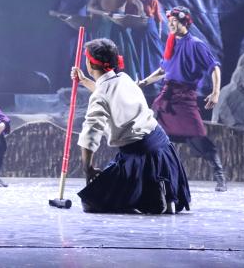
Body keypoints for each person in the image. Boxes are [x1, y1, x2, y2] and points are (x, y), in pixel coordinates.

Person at [73, 38, 191, 214]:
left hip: (138, 156)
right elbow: (108, 92)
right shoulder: (124, 79)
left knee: (90, 202)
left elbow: (90, 134)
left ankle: (149, 195)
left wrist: (88, 168)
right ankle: (160, 189)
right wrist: (83, 81)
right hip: (163, 147)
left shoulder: (101, 95)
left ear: (90, 64)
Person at [138, 6, 226, 191]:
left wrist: (216, 92)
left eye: (174, 21)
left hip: (184, 97)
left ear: (185, 22)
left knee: (197, 136)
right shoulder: (171, 43)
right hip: (166, 98)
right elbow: (163, 70)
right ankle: (154, 176)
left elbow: (214, 67)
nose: (170, 24)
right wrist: (144, 82)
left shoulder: (196, 44)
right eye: (169, 21)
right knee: (155, 136)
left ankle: (219, 175)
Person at [87, 0, 144, 81]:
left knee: (120, 52)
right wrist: (102, 13)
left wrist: (141, 12)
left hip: (118, 27)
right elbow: (89, 7)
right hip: (104, 28)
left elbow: (136, 1)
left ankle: (121, 79)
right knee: (103, 54)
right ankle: (105, 79)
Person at [49, 0, 92, 87]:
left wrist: (86, 19)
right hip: (66, 31)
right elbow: (51, 11)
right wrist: (62, 15)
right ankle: (65, 85)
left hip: (79, 30)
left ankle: (79, 85)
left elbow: (91, 9)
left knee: (79, 58)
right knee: (65, 57)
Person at [131, 0, 164, 86]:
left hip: (150, 34)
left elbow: (158, 20)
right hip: (136, 33)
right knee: (138, 56)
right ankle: (140, 81)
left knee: (154, 56)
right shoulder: (131, 1)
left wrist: (158, 35)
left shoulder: (152, 1)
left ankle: (155, 82)